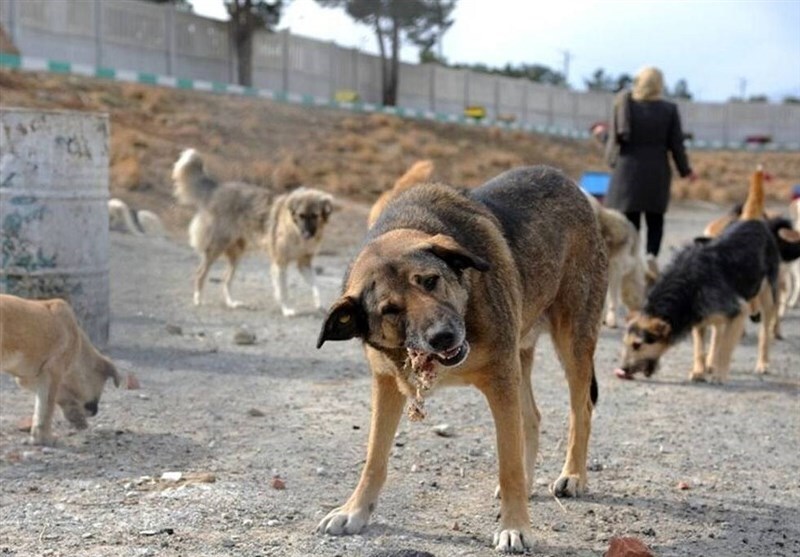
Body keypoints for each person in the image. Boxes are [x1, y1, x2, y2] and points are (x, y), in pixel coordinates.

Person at [604, 66, 695, 275]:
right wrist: (686, 170)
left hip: (627, 173)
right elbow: (676, 145)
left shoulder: (624, 104)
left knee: (630, 221)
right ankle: (651, 256)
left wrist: (602, 138)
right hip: (657, 172)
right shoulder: (669, 109)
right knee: (655, 220)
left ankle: (633, 261)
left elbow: (615, 139)